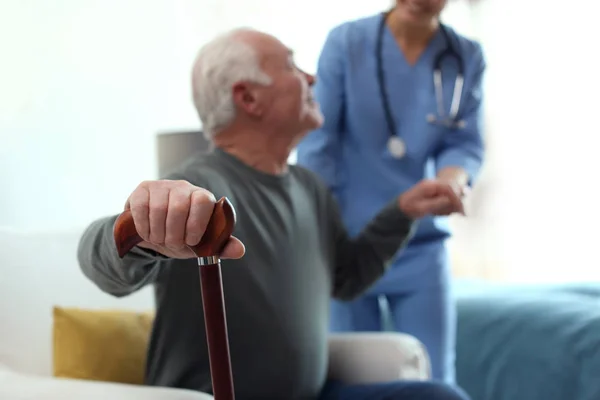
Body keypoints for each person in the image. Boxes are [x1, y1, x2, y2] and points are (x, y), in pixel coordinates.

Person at [77, 27, 471, 400]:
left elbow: (347, 279)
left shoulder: (309, 188)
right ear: (248, 99)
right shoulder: (194, 188)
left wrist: (401, 212)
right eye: (291, 66)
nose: (312, 78)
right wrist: (136, 228)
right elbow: (100, 264)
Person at [296, 0, 486, 384]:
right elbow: (319, 144)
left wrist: (452, 179)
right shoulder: (347, 42)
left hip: (419, 243)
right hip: (347, 245)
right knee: (352, 377)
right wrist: (318, 233)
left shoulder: (465, 55)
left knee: (433, 380)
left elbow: (464, 143)